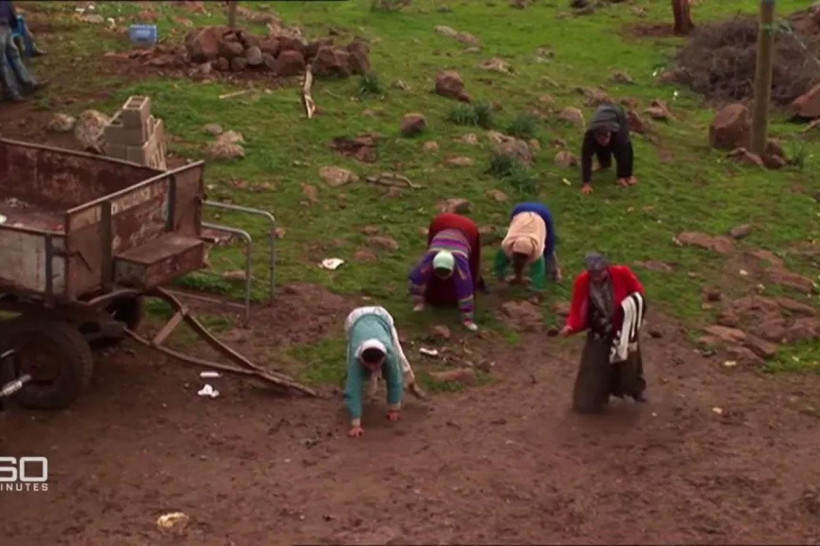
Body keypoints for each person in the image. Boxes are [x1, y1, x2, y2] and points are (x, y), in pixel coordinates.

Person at [559, 253, 647, 413]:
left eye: (600, 273)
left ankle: (635, 390)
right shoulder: (582, 282)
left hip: (623, 327)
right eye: (593, 274)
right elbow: (577, 308)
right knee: (594, 365)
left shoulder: (622, 273)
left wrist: (629, 314)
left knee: (629, 362)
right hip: (599, 328)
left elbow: (638, 292)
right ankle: (595, 398)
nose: (597, 277)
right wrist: (570, 326)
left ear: (606, 268)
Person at [343, 306, 421, 438]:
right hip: (355, 320)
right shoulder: (356, 359)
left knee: (399, 360)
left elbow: (394, 379)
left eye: (376, 365)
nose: (373, 368)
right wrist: (355, 424)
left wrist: (394, 409)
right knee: (358, 382)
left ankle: (410, 382)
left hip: (381, 317)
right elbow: (353, 388)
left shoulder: (390, 353)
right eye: (369, 365)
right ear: (362, 359)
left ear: (384, 357)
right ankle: (365, 392)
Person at [409, 212, 483, 332]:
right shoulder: (430, 257)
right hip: (441, 223)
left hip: (468, 228)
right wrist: (418, 302)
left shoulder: (461, 261)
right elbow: (417, 278)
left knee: (467, 275)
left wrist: (467, 319)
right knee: (423, 276)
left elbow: (466, 289)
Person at [494, 201, 562, 292]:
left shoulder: (537, 252)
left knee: (549, 247)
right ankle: (518, 277)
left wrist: (537, 291)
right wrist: (501, 277)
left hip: (542, 214)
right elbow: (499, 262)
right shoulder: (507, 246)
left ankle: (554, 272)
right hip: (519, 211)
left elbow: (538, 272)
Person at [580, 103, 636, 195]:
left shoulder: (616, 133)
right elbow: (586, 158)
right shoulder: (589, 136)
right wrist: (586, 184)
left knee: (623, 146)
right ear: (595, 137)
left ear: (609, 134)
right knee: (601, 146)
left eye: (607, 138)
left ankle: (626, 176)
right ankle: (604, 164)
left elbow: (626, 151)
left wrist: (623, 176)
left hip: (618, 114)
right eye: (601, 140)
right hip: (601, 114)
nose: (605, 141)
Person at [0, 0, 45, 102]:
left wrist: (13, 22)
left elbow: (8, 6)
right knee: (2, 63)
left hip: (5, 25)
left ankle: (28, 83)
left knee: (14, 56)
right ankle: (11, 92)